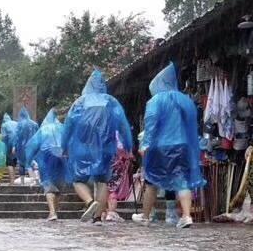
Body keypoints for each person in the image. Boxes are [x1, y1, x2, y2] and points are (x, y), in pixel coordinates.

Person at [132, 62, 205, 229]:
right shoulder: (185, 100)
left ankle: (145, 216)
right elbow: (192, 123)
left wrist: (146, 144)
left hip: (161, 146)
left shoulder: (156, 100)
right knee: (181, 180)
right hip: (183, 145)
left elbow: (151, 123)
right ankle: (186, 216)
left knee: (151, 180)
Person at [62, 69, 132, 224]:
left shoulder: (80, 102)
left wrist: (63, 145)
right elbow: (123, 124)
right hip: (105, 148)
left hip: (82, 147)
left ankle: (89, 202)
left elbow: (68, 125)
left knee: (78, 180)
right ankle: (98, 217)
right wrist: (128, 144)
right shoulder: (111, 101)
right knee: (103, 181)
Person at [25, 108, 65, 221]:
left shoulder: (43, 129)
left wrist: (28, 161)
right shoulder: (62, 128)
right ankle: (55, 212)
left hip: (47, 157)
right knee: (59, 186)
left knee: (48, 185)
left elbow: (32, 145)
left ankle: (52, 212)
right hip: (62, 157)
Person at [14, 107, 38, 185]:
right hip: (32, 146)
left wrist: (14, 146)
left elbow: (17, 136)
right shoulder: (34, 124)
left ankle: (22, 181)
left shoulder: (19, 124)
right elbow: (38, 135)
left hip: (21, 147)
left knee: (21, 163)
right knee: (33, 161)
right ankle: (36, 178)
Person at [1, 113, 18, 184]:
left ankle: (12, 181)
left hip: (9, 144)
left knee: (9, 163)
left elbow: (4, 137)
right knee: (14, 162)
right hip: (17, 143)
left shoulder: (4, 125)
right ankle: (13, 180)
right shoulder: (16, 123)